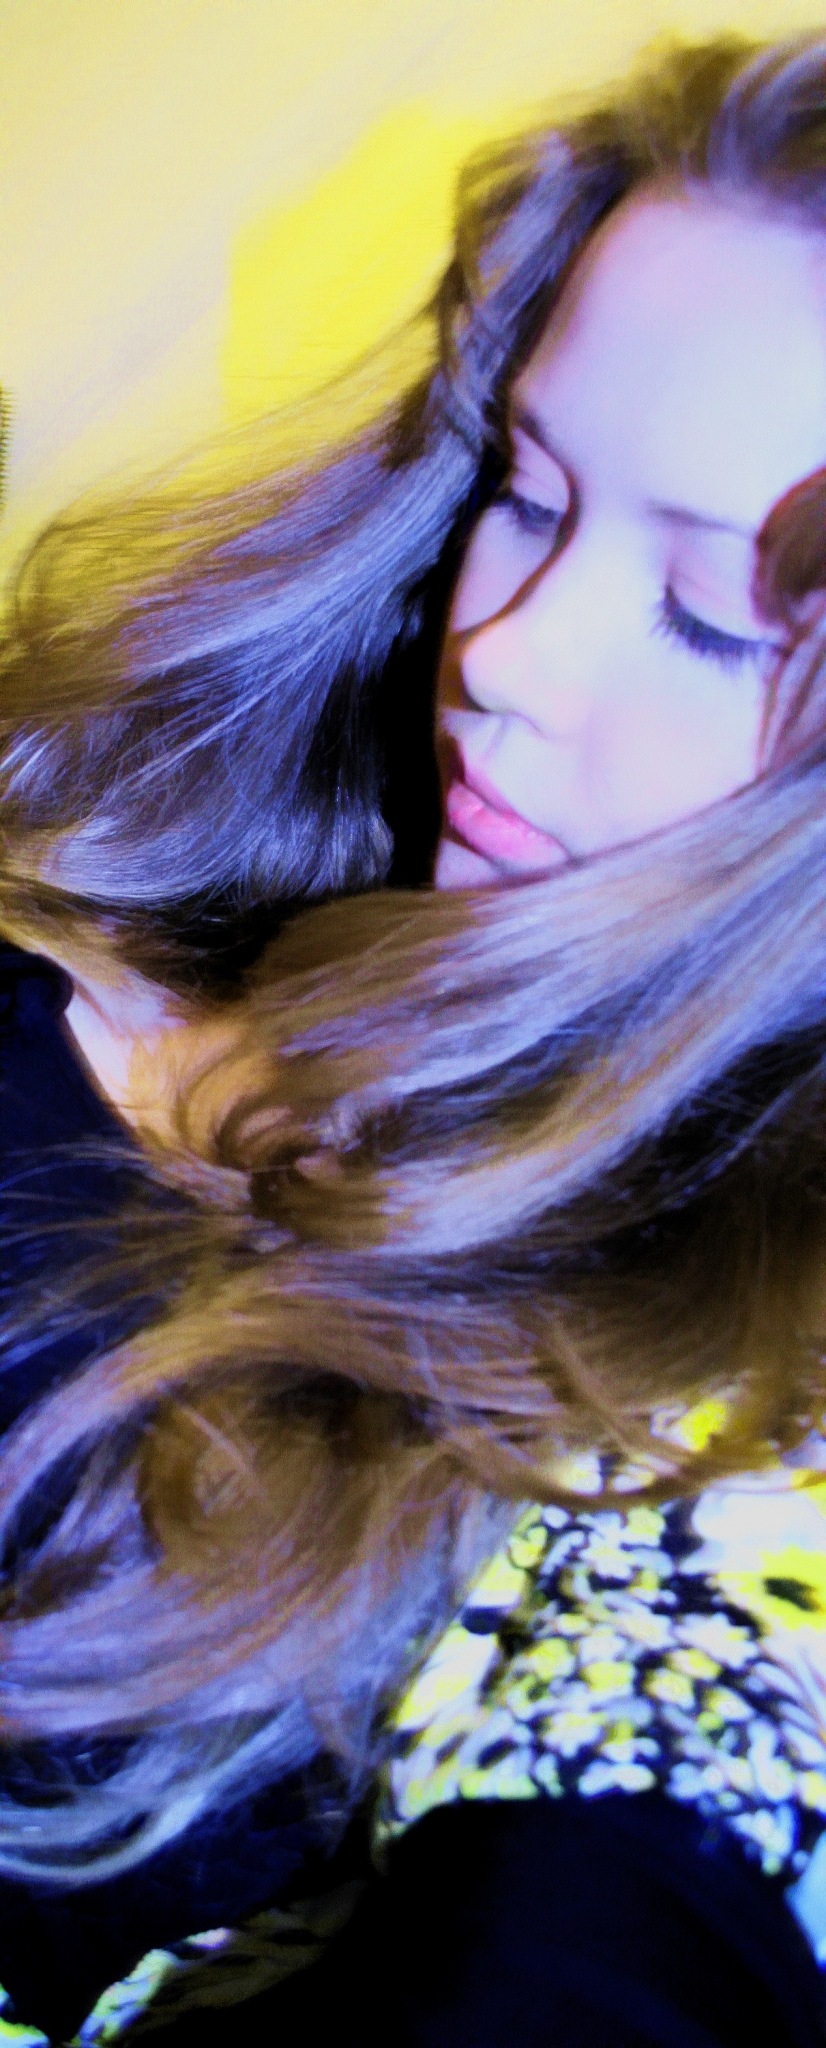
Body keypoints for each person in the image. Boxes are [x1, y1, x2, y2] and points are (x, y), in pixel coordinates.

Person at [5, 27, 826, 2043]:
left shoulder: (702, 1450)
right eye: (526, 497)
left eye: (715, 620)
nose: (506, 654)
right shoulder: (169, 851)